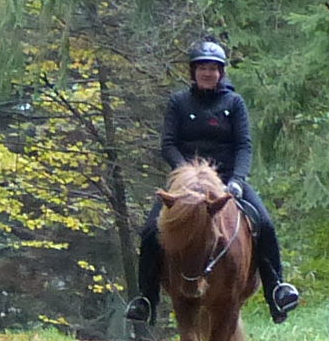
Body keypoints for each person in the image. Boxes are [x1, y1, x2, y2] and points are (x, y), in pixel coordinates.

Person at [127, 40, 301, 326]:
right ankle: (146, 298)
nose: (207, 73)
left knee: (265, 224)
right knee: (149, 231)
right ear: (193, 72)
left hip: (227, 180)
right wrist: (188, 175)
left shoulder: (234, 103)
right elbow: (168, 144)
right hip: (187, 183)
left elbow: (244, 145)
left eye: (213, 68)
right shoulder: (178, 102)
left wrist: (237, 181)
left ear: (221, 73)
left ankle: (277, 290)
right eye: (202, 68)